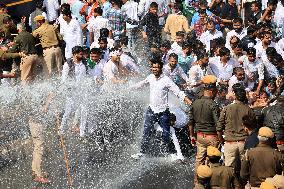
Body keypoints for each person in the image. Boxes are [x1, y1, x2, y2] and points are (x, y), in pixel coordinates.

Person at [131, 57, 192, 158]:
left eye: (157, 67)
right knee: (146, 131)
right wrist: (129, 88)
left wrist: (188, 101)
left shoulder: (166, 80)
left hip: (163, 111)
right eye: (153, 67)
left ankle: (169, 152)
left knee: (166, 133)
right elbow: (141, 84)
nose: (155, 69)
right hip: (151, 110)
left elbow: (177, 92)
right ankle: (142, 152)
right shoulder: (150, 77)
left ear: (161, 68)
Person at [217, 84, 255, 187]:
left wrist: (221, 141)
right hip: (244, 143)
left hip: (230, 143)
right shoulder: (248, 109)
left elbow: (219, 127)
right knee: (245, 170)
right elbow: (253, 127)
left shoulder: (226, 108)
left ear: (235, 96)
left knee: (229, 171)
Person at [188, 75, 220, 168]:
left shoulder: (194, 103)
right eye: (215, 92)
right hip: (212, 137)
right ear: (212, 91)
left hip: (199, 136)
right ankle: (212, 181)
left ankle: (197, 181)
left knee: (199, 160)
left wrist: (191, 135)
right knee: (213, 160)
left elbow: (190, 122)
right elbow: (218, 124)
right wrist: (220, 138)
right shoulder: (213, 104)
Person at [60, 46, 88, 137]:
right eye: (80, 54)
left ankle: (82, 133)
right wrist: (69, 87)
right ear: (74, 54)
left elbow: (90, 74)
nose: (82, 55)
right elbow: (63, 80)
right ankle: (62, 130)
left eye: (82, 53)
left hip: (83, 91)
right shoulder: (68, 64)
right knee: (68, 111)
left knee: (84, 111)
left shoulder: (85, 62)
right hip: (72, 91)